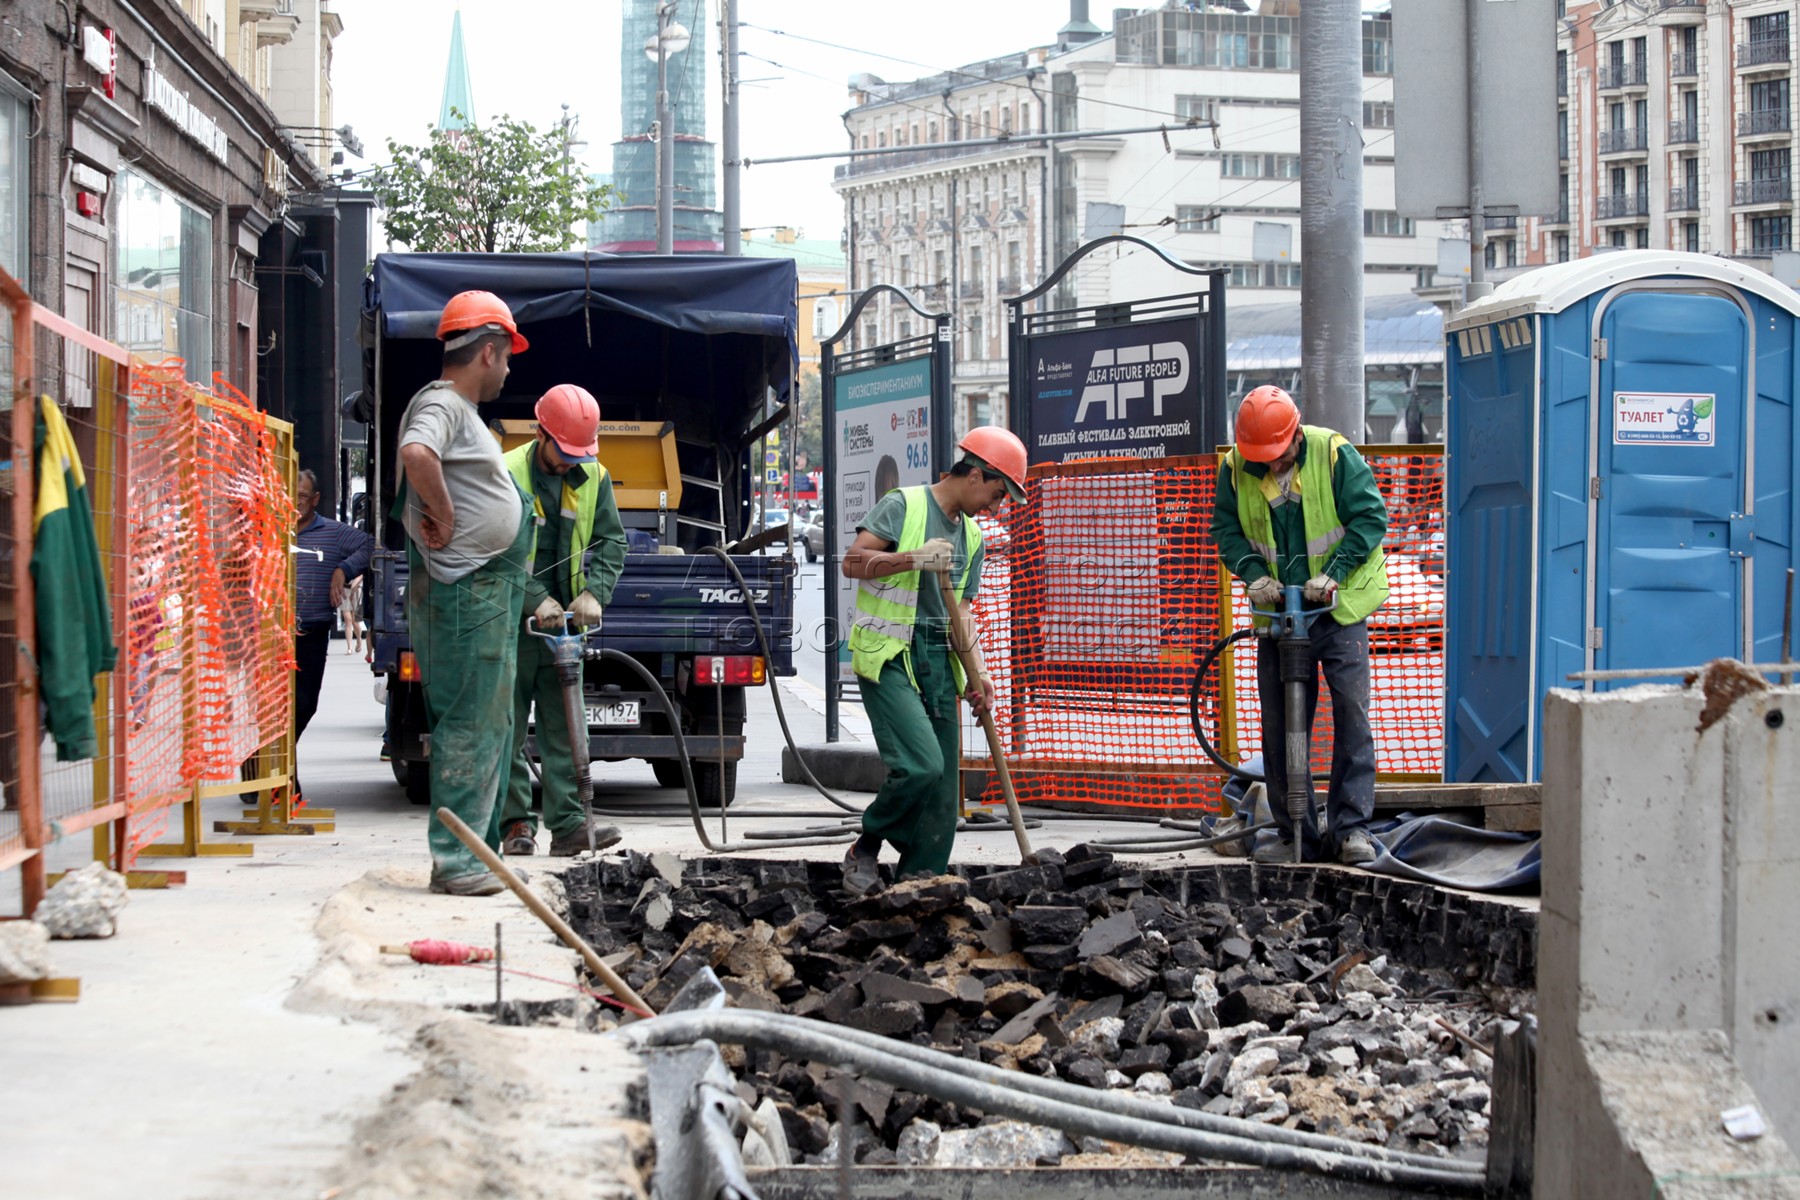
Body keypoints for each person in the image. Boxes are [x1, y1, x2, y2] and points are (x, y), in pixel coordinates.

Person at [839, 427, 1028, 894]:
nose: (996, 508)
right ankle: (867, 844)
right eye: (997, 495)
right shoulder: (903, 506)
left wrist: (979, 674)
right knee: (922, 765)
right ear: (976, 475)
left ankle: (919, 884)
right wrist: (911, 559)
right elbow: (852, 562)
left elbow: (961, 613)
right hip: (890, 654)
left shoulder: (972, 537)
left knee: (944, 792)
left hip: (940, 661)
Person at [1210, 385, 1390, 867]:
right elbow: (1226, 530)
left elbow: (1371, 517)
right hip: (1278, 613)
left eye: (1280, 454)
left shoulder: (1333, 455)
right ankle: (1296, 833)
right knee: (1279, 725)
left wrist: (1334, 573)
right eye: (1263, 458)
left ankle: (1350, 829)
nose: (1273, 464)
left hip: (1338, 609)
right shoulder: (1236, 468)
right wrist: (1253, 573)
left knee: (1352, 714)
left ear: (1295, 433)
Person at [396, 290, 535, 897]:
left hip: (484, 589)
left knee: (493, 724)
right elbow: (416, 452)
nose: (507, 370)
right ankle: (457, 862)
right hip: (467, 591)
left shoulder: (459, 411)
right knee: (471, 725)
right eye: (507, 358)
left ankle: (480, 854)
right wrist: (445, 513)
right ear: (487, 352)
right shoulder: (442, 402)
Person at [498, 384, 629, 858]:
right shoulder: (505, 473)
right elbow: (490, 551)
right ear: (540, 434)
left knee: (567, 728)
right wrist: (535, 598)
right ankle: (515, 824)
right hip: (511, 625)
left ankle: (570, 825)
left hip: (565, 629)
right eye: (565, 452)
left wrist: (596, 592)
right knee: (506, 728)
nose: (572, 462)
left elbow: (612, 541)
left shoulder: (593, 475)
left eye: (580, 453)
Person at [292, 469, 373, 797]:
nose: (295, 502)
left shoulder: (332, 532)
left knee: (305, 704)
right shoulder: (269, 530)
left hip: (312, 632)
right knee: (281, 710)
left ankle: (261, 763)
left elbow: (370, 545)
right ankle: (284, 782)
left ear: (314, 500)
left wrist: (343, 569)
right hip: (272, 635)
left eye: (301, 496)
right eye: (290, 495)